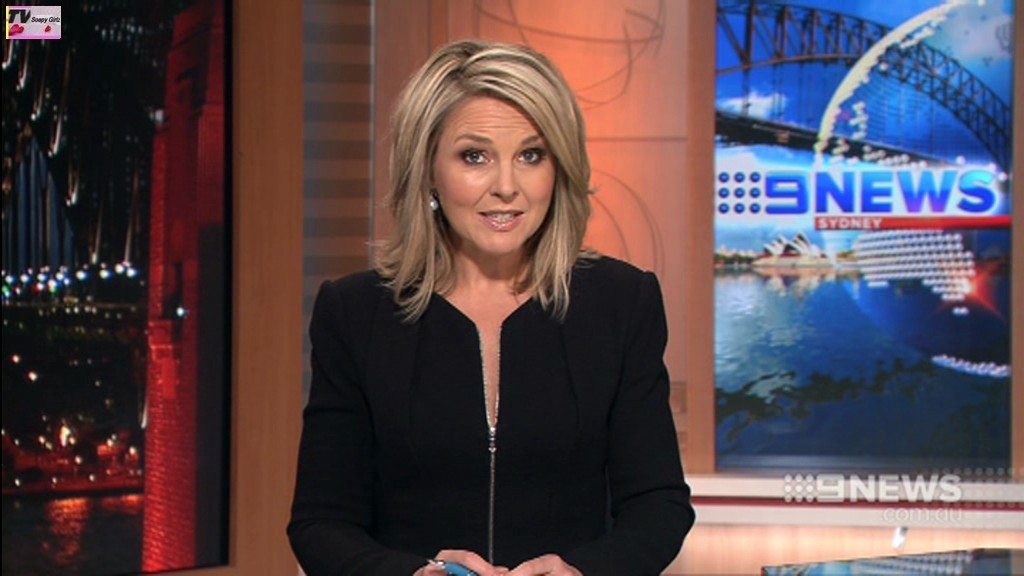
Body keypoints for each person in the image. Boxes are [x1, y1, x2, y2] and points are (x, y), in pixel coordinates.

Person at [288, 39, 695, 576]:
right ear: (427, 169)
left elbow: (658, 505)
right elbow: (320, 523)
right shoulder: (355, 313)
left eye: (531, 155)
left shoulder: (621, 302)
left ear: (559, 167)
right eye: (474, 157)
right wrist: (413, 573)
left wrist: (582, 570)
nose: (506, 187)